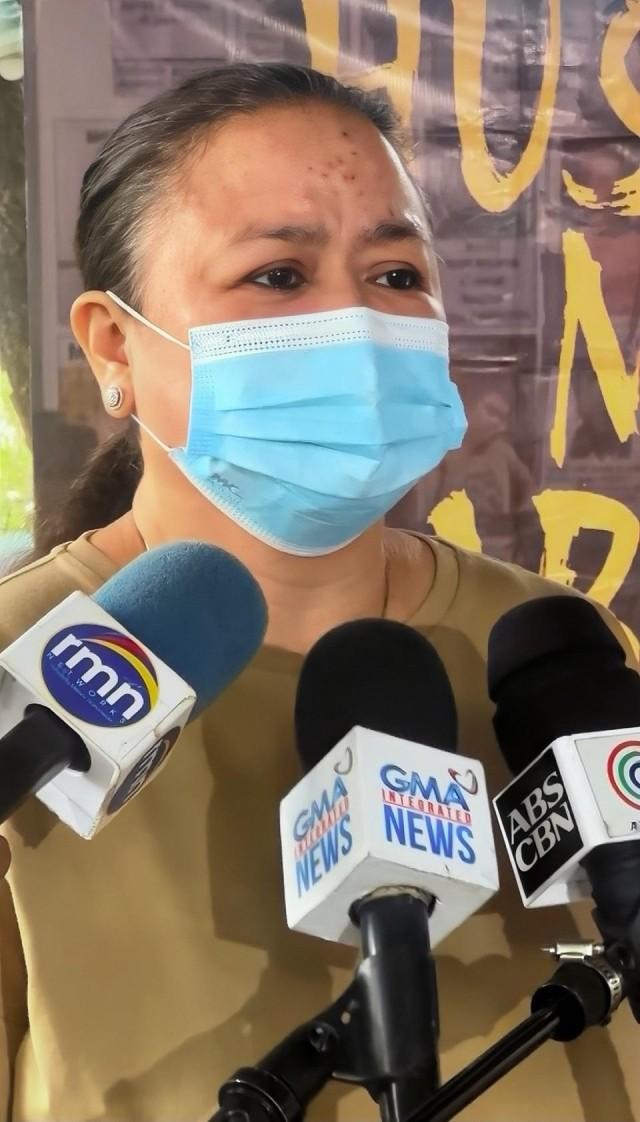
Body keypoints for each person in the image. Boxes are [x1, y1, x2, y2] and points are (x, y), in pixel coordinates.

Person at [0, 63, 637, 1122]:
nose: (356, 321)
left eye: (394, 275)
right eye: (279, 276)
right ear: (115, 346)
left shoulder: (557, 661)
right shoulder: (22, 683)